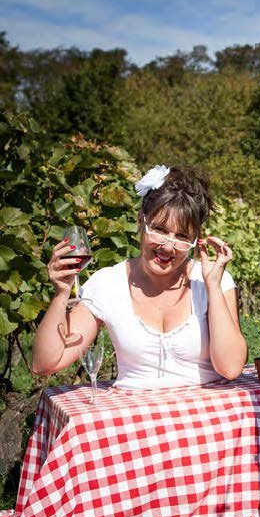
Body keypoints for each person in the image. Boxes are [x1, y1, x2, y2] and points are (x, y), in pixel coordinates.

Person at [32, 165, 248, 387]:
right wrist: (61, 294)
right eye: (160, 230)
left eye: (182, 236)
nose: (168, 246)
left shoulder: (213, 280)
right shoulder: (107, 283)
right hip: (138, 417)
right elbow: (45, 364)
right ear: (141, 222)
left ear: (196, 240)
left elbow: (230, 368)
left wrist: (213, 287)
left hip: (205, 415)